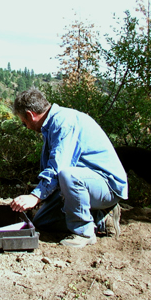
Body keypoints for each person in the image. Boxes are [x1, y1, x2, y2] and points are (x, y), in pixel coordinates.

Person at [10, 88, 128, 247]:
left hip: (108, 186)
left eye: (24, 123)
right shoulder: (51, 125)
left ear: (31, 115)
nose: (27, 126)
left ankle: (84, 233)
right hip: (84, 183)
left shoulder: (63, 123)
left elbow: (59, 169)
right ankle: (100, 218)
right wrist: (41, 197)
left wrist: (35, 196)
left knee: (68, 174)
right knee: (42, 221)